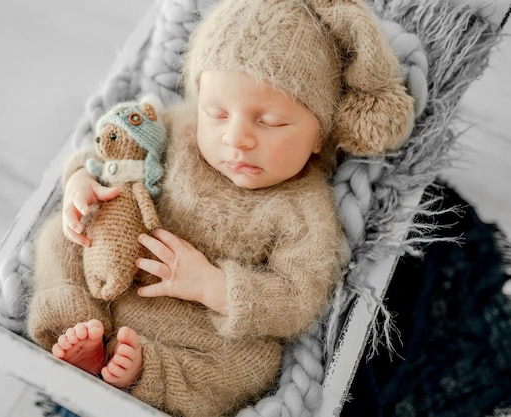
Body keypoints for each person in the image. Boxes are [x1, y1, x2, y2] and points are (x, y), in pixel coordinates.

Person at [26, 0, 414, 416]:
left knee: (253, 365)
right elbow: (114, 152)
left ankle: (146, 373)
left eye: (269, 122)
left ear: (318, 137)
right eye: (217, 113)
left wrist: (213, 285)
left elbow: (298, 295)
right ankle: (75, 327)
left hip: (197, 327)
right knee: (61, 237)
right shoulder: (177, 129)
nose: (237, 138)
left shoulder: (304, 207)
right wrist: (82, 182)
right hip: (115, 275)